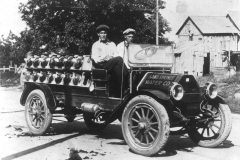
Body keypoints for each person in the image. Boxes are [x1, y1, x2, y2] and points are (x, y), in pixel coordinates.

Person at [91, 24, 128, 97]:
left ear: (107, 34)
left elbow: (116, 54)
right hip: (101, 65)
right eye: (101, 33)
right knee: (119, 59)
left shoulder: (112, 44)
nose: (103, 35)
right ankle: (126, 77)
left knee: (117, 68)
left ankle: (120, 91)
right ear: (98, 34)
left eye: (105, 33)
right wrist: (104, 58)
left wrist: (111, 57)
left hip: (110, 63)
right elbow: (95, 58)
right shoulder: (95, 45)